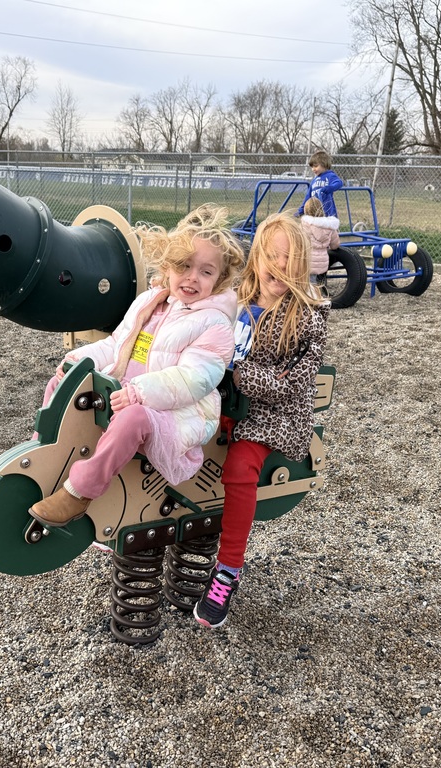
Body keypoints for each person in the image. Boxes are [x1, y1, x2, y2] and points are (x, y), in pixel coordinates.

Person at [28, 204, 246, 528]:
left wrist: (139, 394)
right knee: (62, 384)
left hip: (176, 415)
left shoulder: (213, 324)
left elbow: (193, 379)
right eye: (184, 266)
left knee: (132, 419)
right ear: (170, 265)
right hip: (124, 394)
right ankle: (41, 455)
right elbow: (117, 345)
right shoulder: (151, 303)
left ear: (219, 279)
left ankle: (79, 493)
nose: (192, 278)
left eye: (206, 271)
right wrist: (79, 362)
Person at [193, 212, 330, 629]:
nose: (279, 265)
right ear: (258, 258)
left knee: (239, 467)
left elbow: (290, 386)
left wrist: (240, 373)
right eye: (271, 255)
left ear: (303, 262)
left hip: (272, 416)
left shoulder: (308, 317)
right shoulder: (235, 300)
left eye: (289, 258)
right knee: (172, 425)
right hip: (223, 402)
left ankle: (227, 571)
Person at [300, 196, 339, 285]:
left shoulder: (304, 225)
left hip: (308, 261)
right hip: (323, 262)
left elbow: (298, 242)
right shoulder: (329, 226)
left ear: (306, 210)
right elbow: (335, 245)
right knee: (317, 283)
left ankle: (312, 296)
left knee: (309, 285)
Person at [295, 149, 344, 219]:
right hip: (314, 214)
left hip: (327, 214)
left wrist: (328, 188)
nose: (313, 169)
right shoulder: (314, 181)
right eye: (312, 167)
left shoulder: (329, 175)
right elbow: (308, 197)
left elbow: (339, 183)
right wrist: (301, 210)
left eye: (315, 166)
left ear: (324, 164)